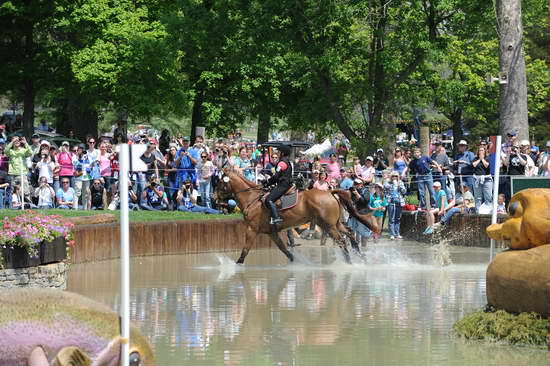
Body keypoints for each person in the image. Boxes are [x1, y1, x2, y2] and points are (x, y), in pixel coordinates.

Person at [263, 145, 293, 226]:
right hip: (287, 184)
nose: (278, 153)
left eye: (279, 152)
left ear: (282, 153)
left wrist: (267, 182)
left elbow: (276, 176)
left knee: (268, 200)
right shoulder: (287, 161)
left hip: (283, 185)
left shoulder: (282, 163)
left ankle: (276, 218)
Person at [384, 171, 406, 240]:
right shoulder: (388, 182)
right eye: (393, 176)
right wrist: (393, 184)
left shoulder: (400, 182)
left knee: (398, 218)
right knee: (391, 218)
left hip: (399, 202)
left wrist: (400, 186)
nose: (395, 177)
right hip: (391, 202)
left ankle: (397, 233)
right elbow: (385, 187)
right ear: (391, 176)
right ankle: (392, 234)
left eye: (396, 176)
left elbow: (404, 191)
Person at [472, 145, 493, 209]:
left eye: (482, 150)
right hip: (477, 179)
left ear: (485, 151)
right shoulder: (475, 158)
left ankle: (488, 211)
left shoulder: (488, 158)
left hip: (487, 179)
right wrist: (479, 159)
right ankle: (478, 211)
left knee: (488, 196)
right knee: (478, 197)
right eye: (480, 150)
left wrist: (482, 159)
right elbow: (474, 165)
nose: (481, 151)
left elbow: (487, 165)